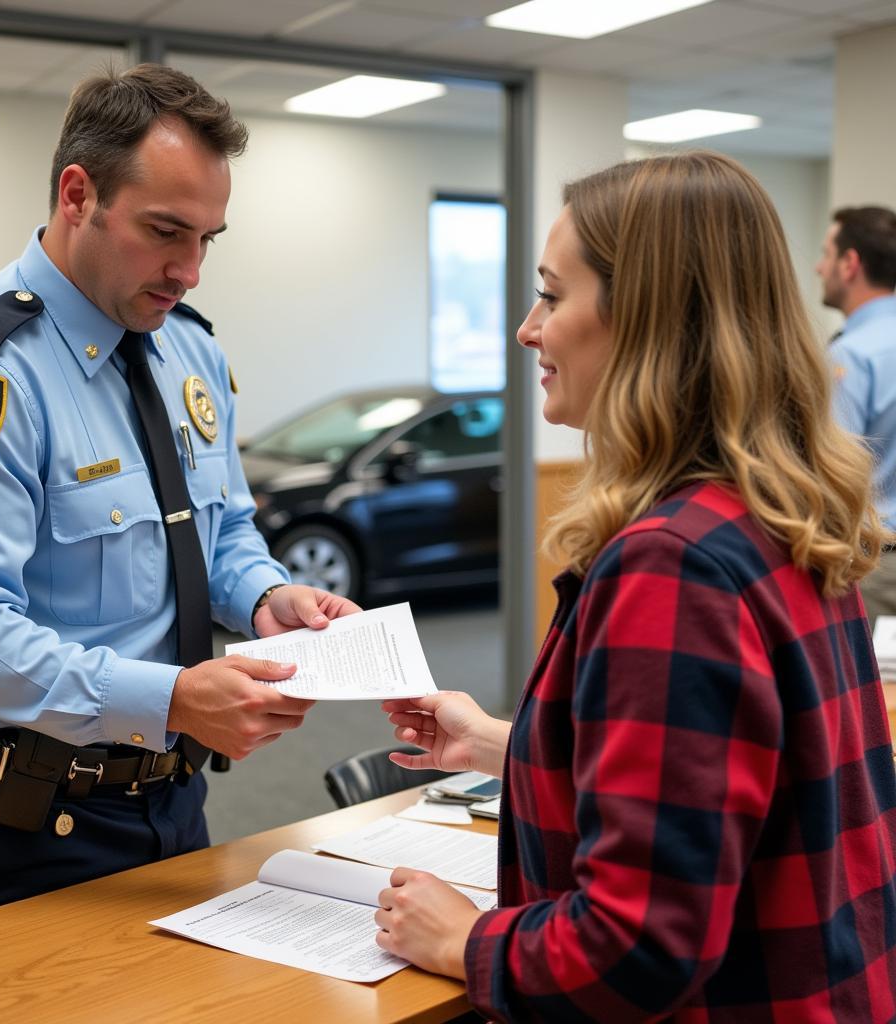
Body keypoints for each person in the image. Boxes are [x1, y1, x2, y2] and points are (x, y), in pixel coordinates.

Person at [376, 152, 896, 1021]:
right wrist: (507, 747)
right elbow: (726, 787)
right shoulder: (779, 514)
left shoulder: (675, 563)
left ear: (645, 319)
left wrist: (462, 939)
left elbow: (639, 947)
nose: (527, 329)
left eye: (552, 293)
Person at [0, 63, 358, 932]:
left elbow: (226, 530)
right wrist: (173, 699)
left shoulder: (190, 353)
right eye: (166, 231)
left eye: (210, 237)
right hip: (7, 825)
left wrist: (267, 595)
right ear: (76, 193)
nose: (191, 270)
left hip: (171, 803)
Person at [816, 205, 896, 626]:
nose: (818, 266)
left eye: (826, 254)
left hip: (879, 569)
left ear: (850, 264)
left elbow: (833, 473)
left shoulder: (852, 354)